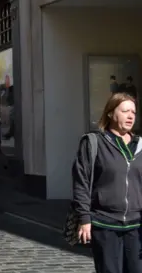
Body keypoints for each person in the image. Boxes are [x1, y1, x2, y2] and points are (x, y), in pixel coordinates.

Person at [72, 92, 142, 273]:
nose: (130, 116)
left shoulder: (140, 145)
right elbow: (81, 182)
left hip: (137, 226)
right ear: (111, 113)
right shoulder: (94, 143)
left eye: (133, 112)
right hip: (105, 224)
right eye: (125, 111)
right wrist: (84, 218)